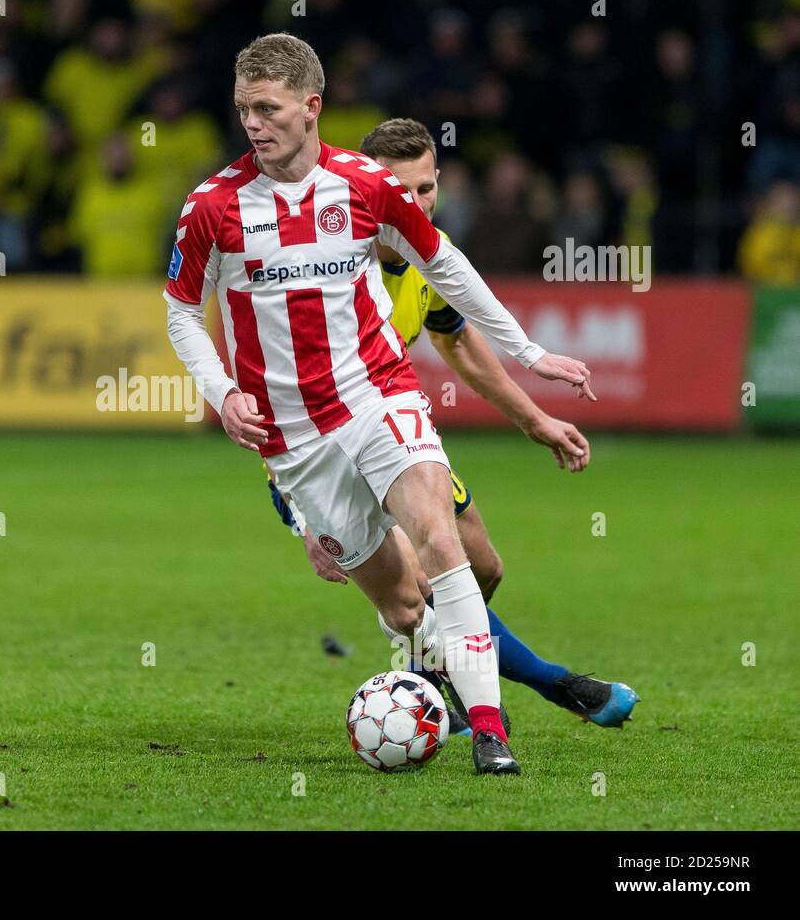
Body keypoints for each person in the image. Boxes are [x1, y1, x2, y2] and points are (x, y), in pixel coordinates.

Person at [165, 33, 596, 774]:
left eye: (267, 108)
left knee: (441, 537)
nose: (254, 124)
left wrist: (530, 354)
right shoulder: (213, 207)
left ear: (311, 107)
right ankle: (455, 684)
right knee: (401, 607)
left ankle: (490, 733)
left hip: (377, 394)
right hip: (293, 437)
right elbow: (179, 312)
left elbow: (445, 265)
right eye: (243, 110)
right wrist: (222, 391)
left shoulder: (366, 186)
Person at [269, 118, 638, 732]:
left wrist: (534, 419)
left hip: (389, 435)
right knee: (419, 581)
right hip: (316, 452)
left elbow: (460, 344)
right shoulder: (318, 264)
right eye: (400, 189)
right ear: (364, 186)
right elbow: (271, 390)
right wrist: (307, 517)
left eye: (426, 188)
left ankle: (433, 676)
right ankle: (558, 684)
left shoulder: (425, 254)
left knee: (482, 567)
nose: (414, 204)